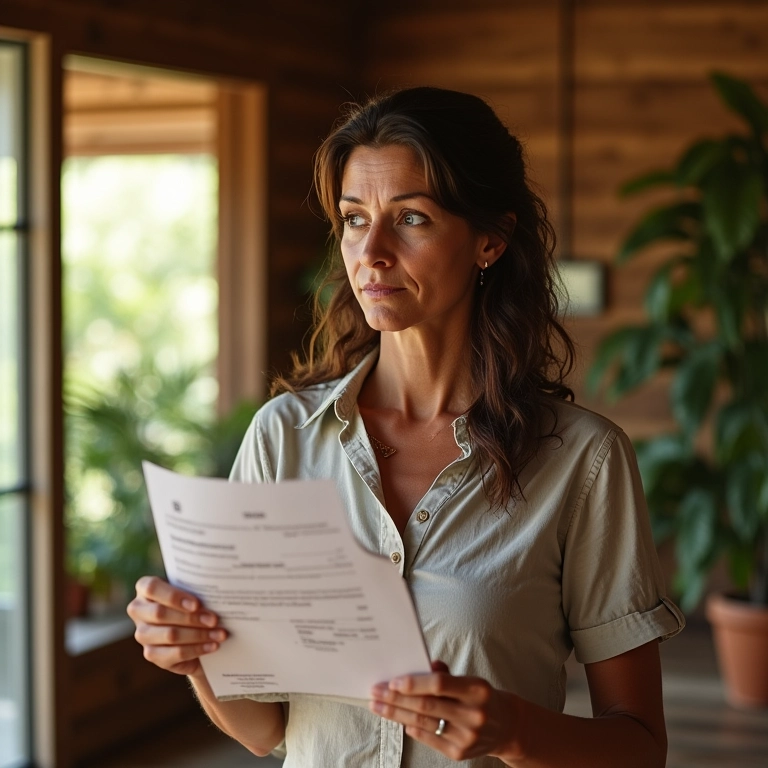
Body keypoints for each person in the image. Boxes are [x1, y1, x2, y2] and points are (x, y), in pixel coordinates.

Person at [128, 86, 685, 767]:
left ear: (490, 238)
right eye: (355, 219)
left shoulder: (583, 461)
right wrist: (195, 656)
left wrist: (512, 730)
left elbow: (640, 748)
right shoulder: (284, 437)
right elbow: (266, 728)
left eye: (412, 218)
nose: (373, 252)